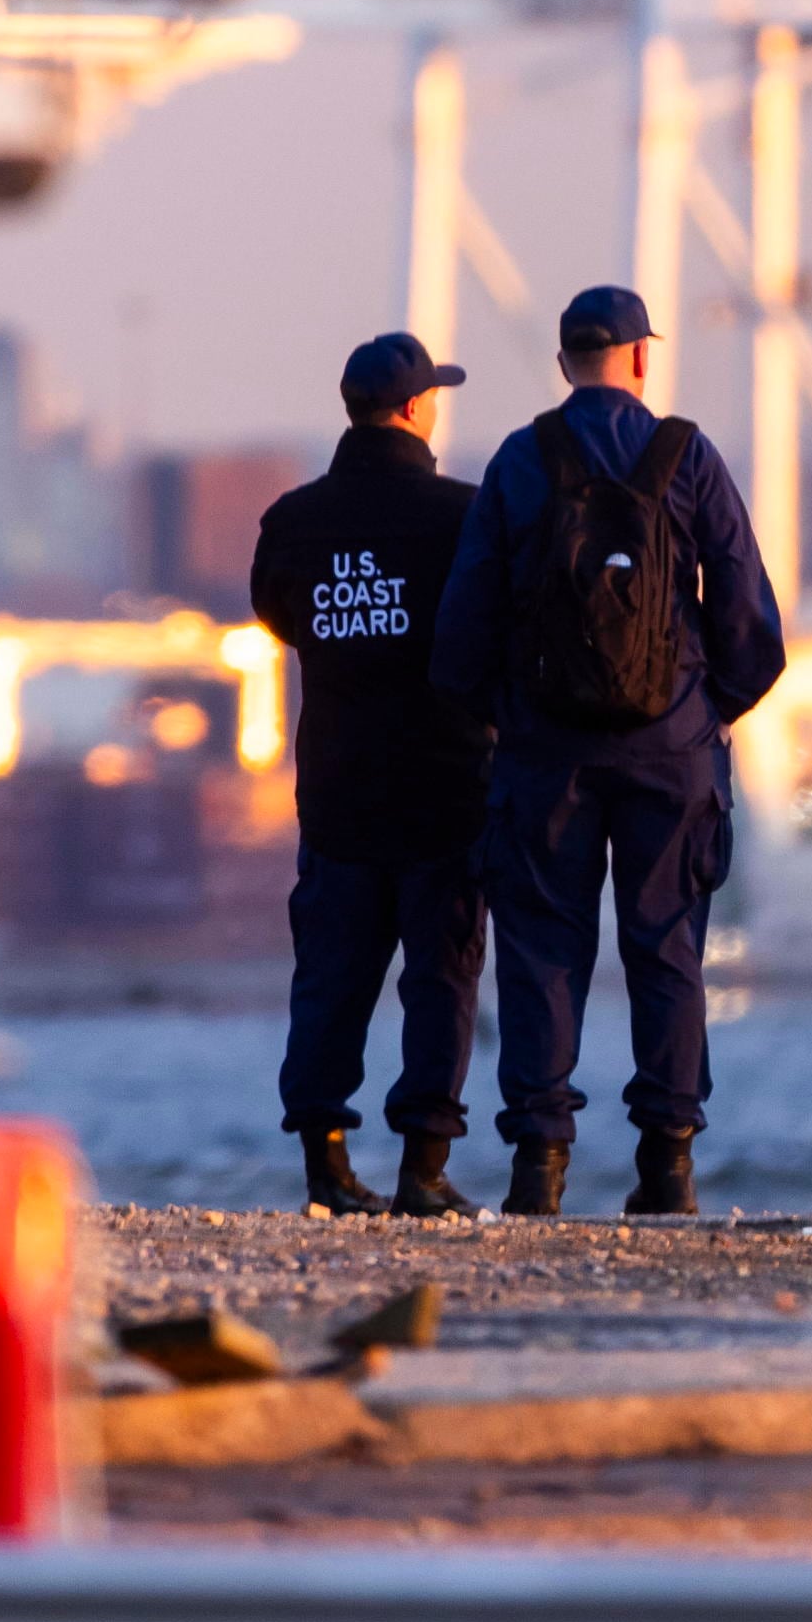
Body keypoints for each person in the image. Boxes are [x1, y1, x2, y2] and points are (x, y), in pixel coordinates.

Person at [429, 285, 785, 1218]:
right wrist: (705, 712)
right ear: (638, 358)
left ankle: (537, 1169)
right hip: (673, 753)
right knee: (668, 951)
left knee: (542, 951)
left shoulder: (520, 459)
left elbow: (462, 628)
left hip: (546, 754)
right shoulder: (688, 456)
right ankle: (667, 1169)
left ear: (563, 364)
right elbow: (750, 613)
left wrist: (507, 716)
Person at [247, 331, 491, 1218]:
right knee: (441, 979)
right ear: (420, 407)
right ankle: (424, 1171)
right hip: (447, 789)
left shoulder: (295, 520)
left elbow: (279, 614)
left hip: (340, 791)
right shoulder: (467, 516)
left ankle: (327, 1165)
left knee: (332, 978)